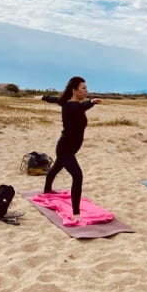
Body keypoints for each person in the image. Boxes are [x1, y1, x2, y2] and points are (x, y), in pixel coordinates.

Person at [41, 77, 102, 223]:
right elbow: (82, 106)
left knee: (56, 168)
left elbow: (54, 99)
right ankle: (76, 213)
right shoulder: (70, 106)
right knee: (77, 176)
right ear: (75, 90)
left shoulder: (68, 103)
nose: (86, 91)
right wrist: (92, 102)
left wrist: (43, 97)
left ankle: (47, 190)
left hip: (71, 149)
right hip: (65, 149)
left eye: (86, 88)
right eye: (83, 88)